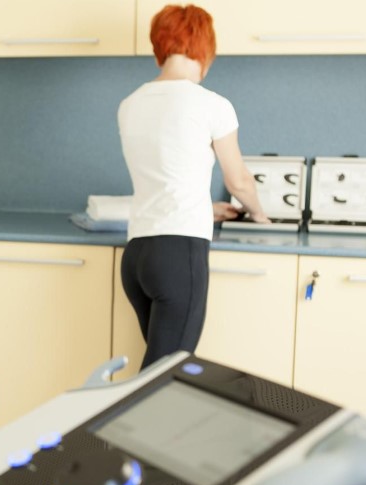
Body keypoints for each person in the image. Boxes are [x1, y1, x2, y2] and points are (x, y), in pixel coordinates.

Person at [117, 4, 269, 370]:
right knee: (165, 380)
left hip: (137, 257)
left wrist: (204, 207)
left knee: (158, 375)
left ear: (160, 47)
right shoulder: (211, 104)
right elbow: (238, 181)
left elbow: (164, 173)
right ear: (205, 48)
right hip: (178, 255)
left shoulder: (130, 104)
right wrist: (260, 215)